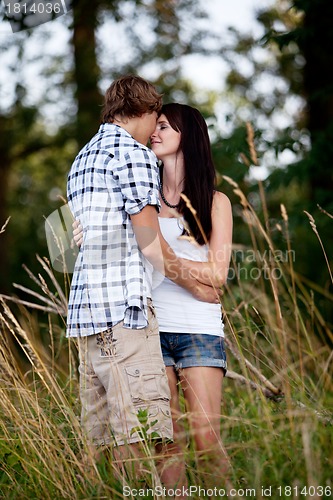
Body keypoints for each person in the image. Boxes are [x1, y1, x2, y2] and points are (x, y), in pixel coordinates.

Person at [66, 75, 220, 484]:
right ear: (142, 111)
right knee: (146, 434)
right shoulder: (132, 156)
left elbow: (80, 237)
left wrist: (87, 235)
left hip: (89, 315)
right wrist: (196, 285)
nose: (155, 129)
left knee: (122, 435)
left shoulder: (83, 157)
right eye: (156, 118)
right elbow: (151, 246)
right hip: (127, 312)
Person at [149, 103, 233, 485]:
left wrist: (163, 260)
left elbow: (218, 274)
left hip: (199, 330)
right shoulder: (144, 199)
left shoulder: (215, 202)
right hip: (149, 330)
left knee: (205, 440)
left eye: (164, 126)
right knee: (166, 443)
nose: (155, 131)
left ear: (188, 137)